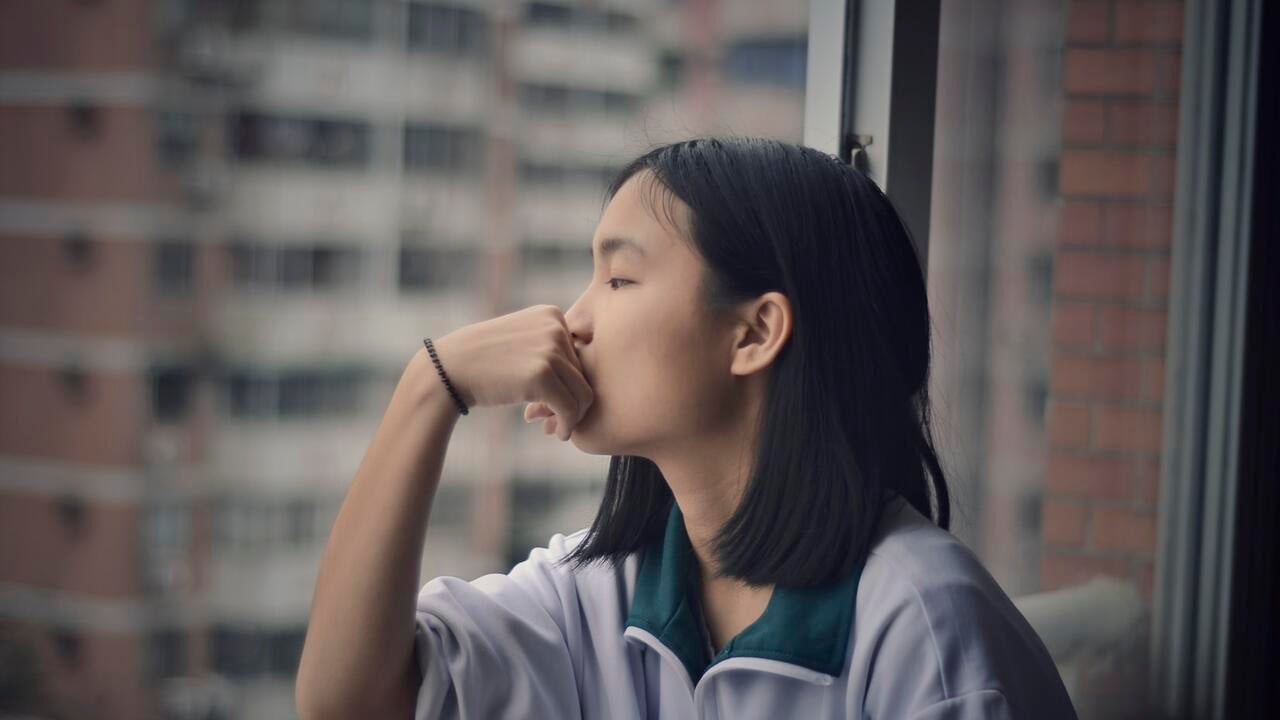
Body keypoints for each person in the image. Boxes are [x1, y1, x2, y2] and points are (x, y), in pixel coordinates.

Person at [295, 137, 1078, 719]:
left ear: (754, 333)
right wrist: (429, 386)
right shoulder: (600, 593)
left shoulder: (927, 631)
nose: (573, 322)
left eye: (620, 277)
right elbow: (350, 703)